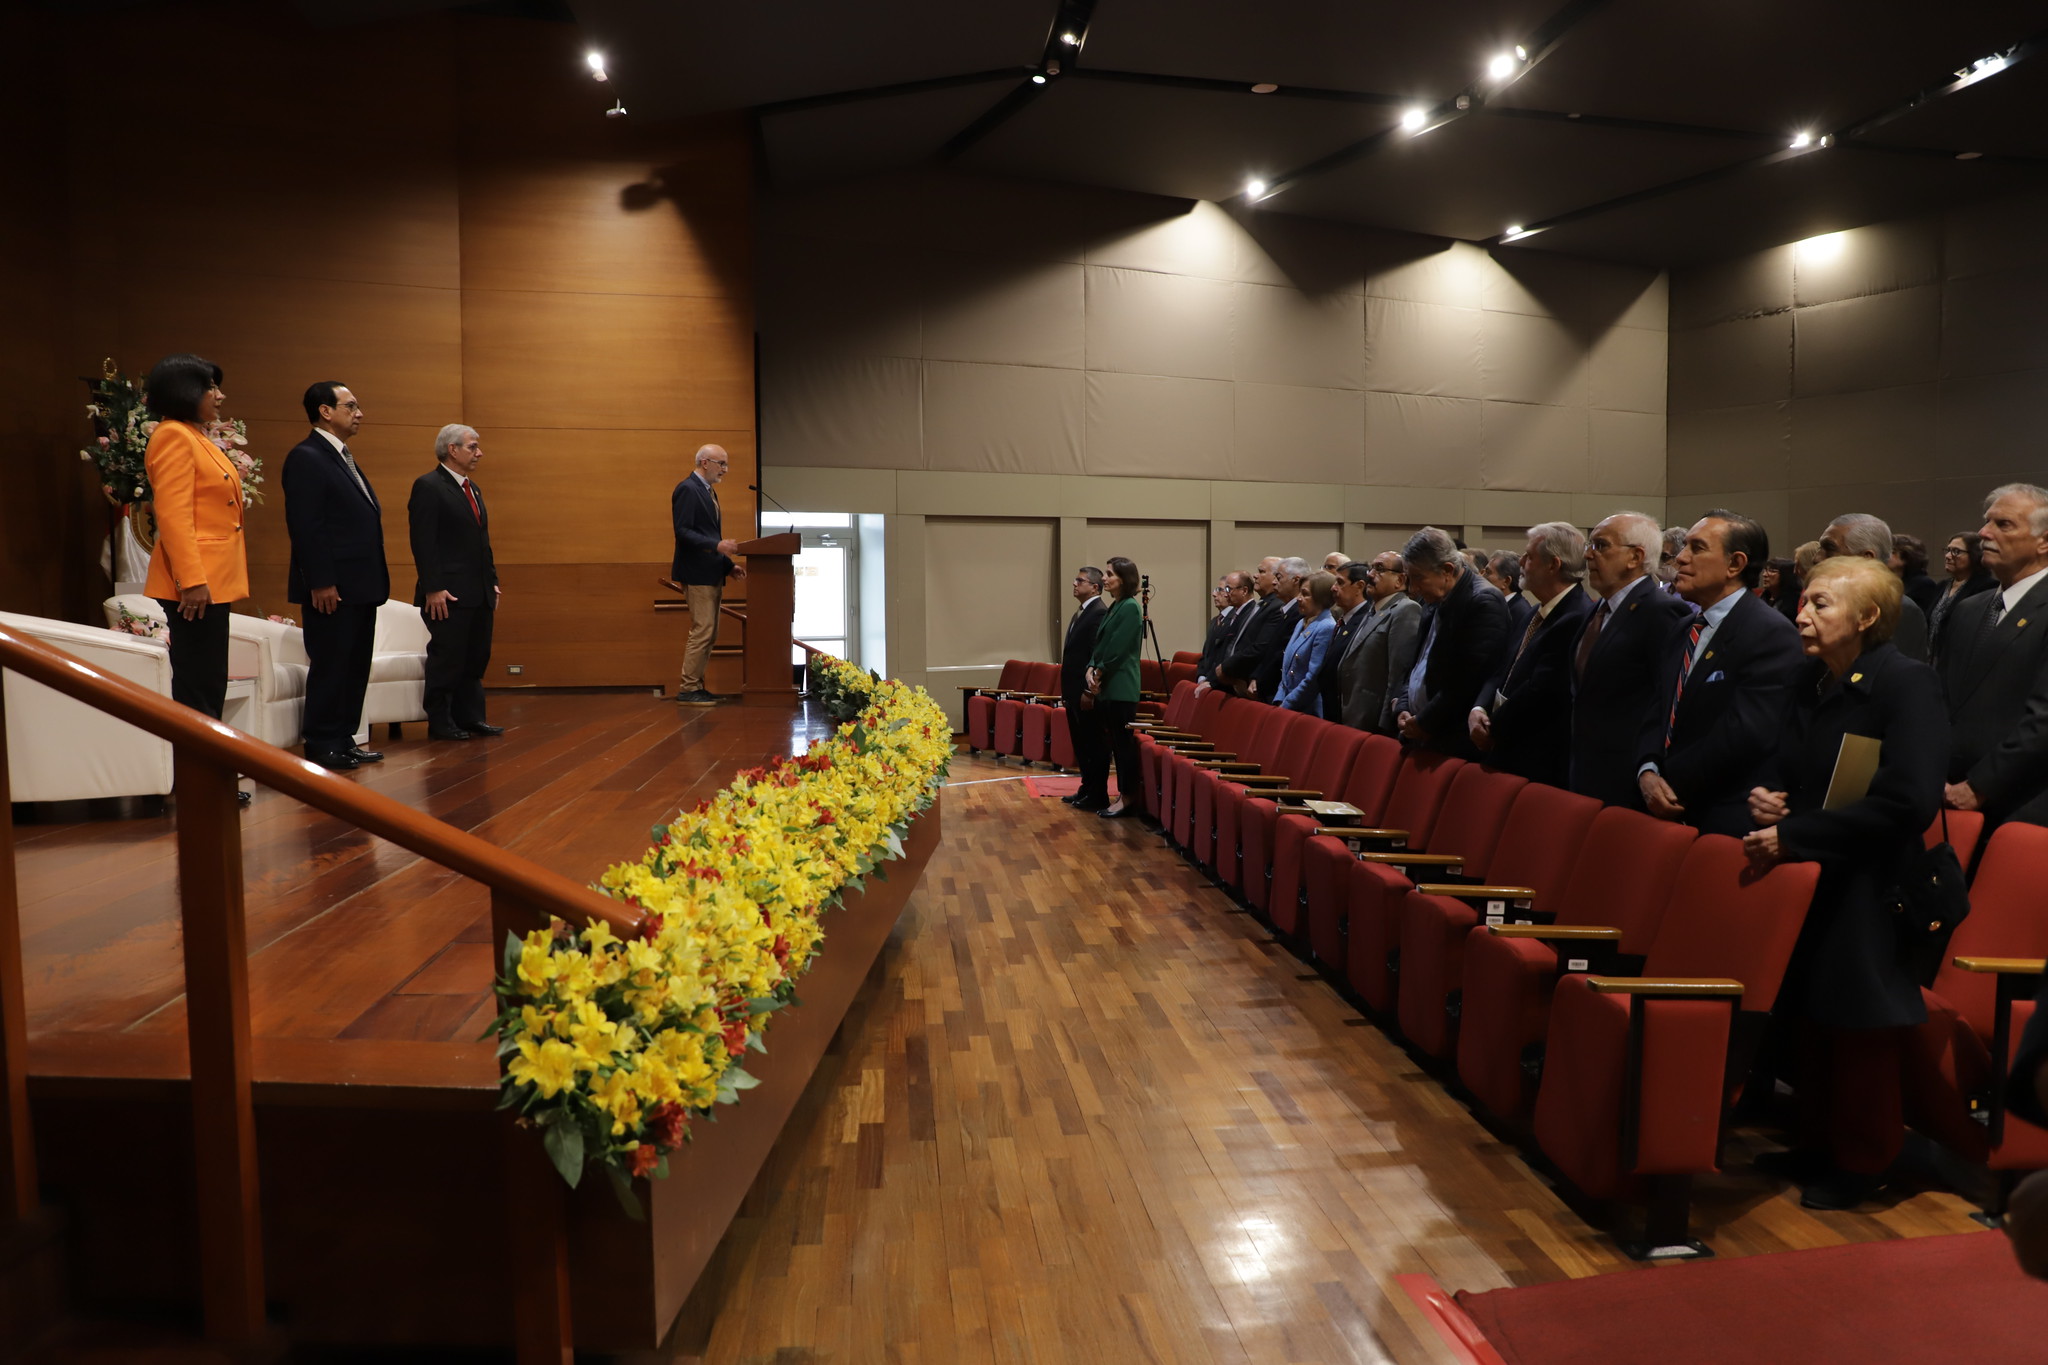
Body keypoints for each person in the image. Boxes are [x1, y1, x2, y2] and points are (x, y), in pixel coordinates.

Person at [1742, 556, 1946, 1210]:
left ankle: (1867, 1159)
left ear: (1866, 617)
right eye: (1803, 601)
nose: (1801, 613)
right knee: (1810, 1015)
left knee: (1859, 1025)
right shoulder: (1812, 679)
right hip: (1814, 874)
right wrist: (1770, 797)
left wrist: (1796, 833)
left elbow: (1909, 801)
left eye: (1820, 604)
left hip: (1873, 880)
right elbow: (1787, 764)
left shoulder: (1906, 684)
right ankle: (1819, 1142)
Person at [1638, 511, 1804, 837]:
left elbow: (1743, 734)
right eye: (1684, 546)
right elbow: (1658, 708)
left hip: (1723, 817)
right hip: (1665, 807)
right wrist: (1646, 770)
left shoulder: (1770, 634)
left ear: (1735, 564)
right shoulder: (1683, 627)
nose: (1681, 559)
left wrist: (1667, 780)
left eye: (1697, 548)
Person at [141, 354, 251, 803]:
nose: (220, 396)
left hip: (211, 580)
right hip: (195, 585)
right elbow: (173, 517)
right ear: (186, 391)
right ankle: (200, 785)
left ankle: (208, 778)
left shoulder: (193, 435)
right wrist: (192, 580)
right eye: (211, 387)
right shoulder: (172, 437)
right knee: (198, 684)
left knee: (209, 681)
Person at [282, 381, 389, 772]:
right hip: (333, 587)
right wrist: (321, 580)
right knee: (331, 663)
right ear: (325, 411)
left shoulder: (341, 457)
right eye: (351, 406)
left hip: (360, 585)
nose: (359, 413)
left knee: (354, 663)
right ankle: (323, 741)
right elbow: (307, 526)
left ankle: (344, 737)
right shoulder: (307, 457)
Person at [1941, 483, 2048, 826]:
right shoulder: (1969, 608)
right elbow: (1943, 697)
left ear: (2044, 541)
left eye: (2004, 525)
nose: (1984, 533)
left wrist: (1980, 786)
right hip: (1943, 794)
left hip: (2018, 804)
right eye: (1986, 522)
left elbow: (2043, 719)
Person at [1569, 512, 1691, 807]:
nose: (1587, 555)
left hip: (1626, 780)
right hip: (1585, 770)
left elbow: (1663, 701)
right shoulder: (1597, 609)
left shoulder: (1662, 612)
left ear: (1635, 557)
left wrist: (1646, 767)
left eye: (1600, 545)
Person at [1469, 522, 1593, 786]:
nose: (1521, 561)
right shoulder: (1533, 612)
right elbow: (1503, 668)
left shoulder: (1577, 616)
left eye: (1529, 556)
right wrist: (1479, 707)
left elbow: (1540, 691)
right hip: (1505, 748)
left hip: (1534, 760)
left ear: (1553, 565)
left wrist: (1493, 727)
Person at [408, 424, 502, 741]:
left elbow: (482, 542)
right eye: (473, 447)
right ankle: (441, 721)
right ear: (452, 449)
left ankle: (471, 717)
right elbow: (424, 542)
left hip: (478, 591)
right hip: (446, 593)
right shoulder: (429, 486)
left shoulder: (473, 489)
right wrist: (433, 587)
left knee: (476, 657)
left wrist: (492, 581)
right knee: (447, 657)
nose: (479, 453)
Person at [1394, 527, 1508, 758]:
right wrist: (1403, 707)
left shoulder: (1483, 601)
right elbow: (1416, 664)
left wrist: (1424, 721)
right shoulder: (1435, 598)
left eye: (1418, 578)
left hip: (1451, 742)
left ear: (1447, 570)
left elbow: (1467, 682)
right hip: (1423, 735)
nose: (1413, 589)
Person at [671, 444, 746, 706]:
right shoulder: (688, 489)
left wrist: (727, 565)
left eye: (725, 464)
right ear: (705, 462)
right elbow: (683, 532)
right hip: (696, 573)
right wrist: (717, 547)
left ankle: (696, 686)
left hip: (711, 571)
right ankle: (688, 688)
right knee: (702, 631)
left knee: (709, 633)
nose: (725, 470)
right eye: (721, 463)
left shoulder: (707, 490)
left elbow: (709, 534)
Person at [1816, 513, 1927, 661]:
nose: (1816, 558)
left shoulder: (1901, 609)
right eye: (1820, 549)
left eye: (1829, 549)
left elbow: (1898, 677)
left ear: (1866, 558)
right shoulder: (1827, 601)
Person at [1084, 556, 1144, 819]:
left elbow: (1118, 648)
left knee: (1123, 747)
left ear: (1124, 578)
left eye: (1109, 574)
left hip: (1120, 685)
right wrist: (1091, 666)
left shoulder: (1130, 607)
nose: (1105, 579)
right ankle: (1121, 794)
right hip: (1107, 684)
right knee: (1114, 745)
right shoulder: (1116, 605)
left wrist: (1098, 671)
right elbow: (1101, 644)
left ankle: (1127, 797)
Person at [1338, 552, 1421, 734]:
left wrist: (1386, 724)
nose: (1370, 574)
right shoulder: (1373, 609)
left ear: (1400, 580)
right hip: (1354, 715)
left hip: (1374, 722)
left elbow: (1398, 672)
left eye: (1380, 569)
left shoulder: (1406, 610)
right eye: (1372, 567)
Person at [1060, 567, 1109, 810]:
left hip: (1085, 693)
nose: (1074, 583)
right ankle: (1086, 787)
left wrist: (1089, 691)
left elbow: (1095, 655)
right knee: (1081, 744)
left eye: (1080, 580)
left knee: (1093, 744)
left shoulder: (1099, 613)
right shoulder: (1081, 612)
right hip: (1072, 691)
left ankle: (1097, 793)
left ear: (1095, 587)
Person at [1274, 571, 1338, 714]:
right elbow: (1286, 670)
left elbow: (1312, 678)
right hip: (1287, 705)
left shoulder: (1326, 626)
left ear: (1321, 597)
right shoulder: (1301, 623)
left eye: (1305, 594)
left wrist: (1287, 704)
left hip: (1307, 709)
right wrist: (1280, 698)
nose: (1298, 598)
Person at [1928, 531, 1994, 665]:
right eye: (1948, 550)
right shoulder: (1942, 586)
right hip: (1932, 660)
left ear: (1975, 556)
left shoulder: (1986, 587)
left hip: (1960, 662)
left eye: (1956, 551)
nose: (1947, 556)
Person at [1316, 562, 1372, 720]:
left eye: (1340, 582)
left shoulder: (1366, 620)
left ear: (1359, 586)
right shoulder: (1345, 618)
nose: (1333, 588)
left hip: (1348, 712)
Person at [1197, 571, 1252, 688]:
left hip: (1221, 682)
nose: (1214, 594)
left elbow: (1224, 656)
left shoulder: (1237, 618)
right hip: (1208, 680)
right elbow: (1206, 654)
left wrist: (1212, 680)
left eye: (1221, 590)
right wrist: (1201, 677)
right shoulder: (1214, 621)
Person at [1891, 533, 1940, 616]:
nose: (1886, 556)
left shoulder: (1924, 584)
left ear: (1906, 557)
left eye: (1892, 552)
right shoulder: (1892, 582)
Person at [1759, 557, 1799, 624]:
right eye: (1765, 570)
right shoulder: (1763, 596)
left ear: (1786, 575)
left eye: (1771, 571)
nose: (1764, 575)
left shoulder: (1794, 601)